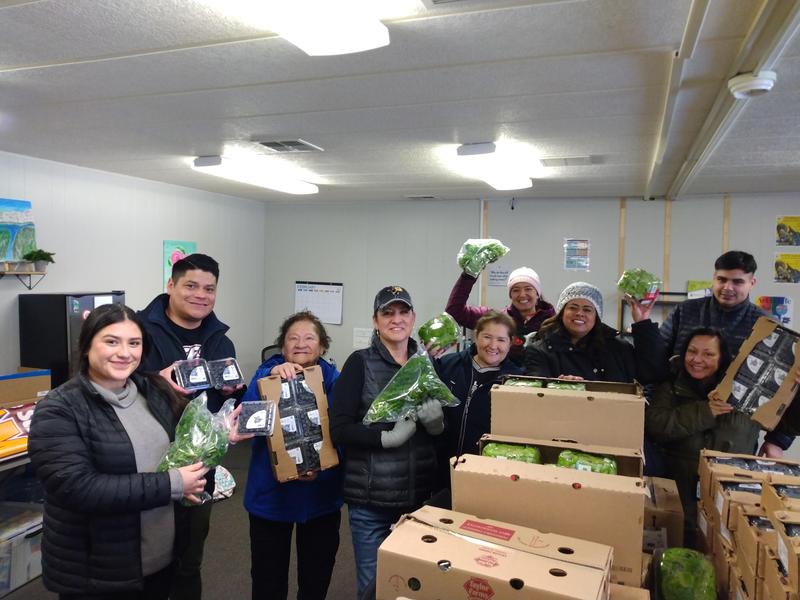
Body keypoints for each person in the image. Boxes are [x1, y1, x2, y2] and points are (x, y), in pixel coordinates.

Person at [28, 304, 209, 599]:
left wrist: (224, 433)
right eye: (111, 341)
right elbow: (77, 487)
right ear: (87, 346)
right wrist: (173, 484)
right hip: (100, 573)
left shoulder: (152, 390)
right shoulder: (59, 409)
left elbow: (180, 449)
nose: (124, 352)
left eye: (134, 343)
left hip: (161, 560)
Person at [330, 286, 444, 599]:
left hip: (418, 498)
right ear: (376, 321)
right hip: (371, 500)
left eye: (403, 312)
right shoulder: (360, 363)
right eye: (387, 313)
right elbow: (339, 429)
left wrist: (436, 426)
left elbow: (439, 431)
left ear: (413, 318)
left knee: (415, 586)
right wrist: (386, 438)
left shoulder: (426, 365)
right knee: (375, 587)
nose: (396, 319)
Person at [138, 253, 241, 600]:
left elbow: (228, 401)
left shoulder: (220, 340)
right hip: (147, 467)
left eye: (209, 288)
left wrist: (232, 395)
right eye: (191, 285)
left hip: (200, 470)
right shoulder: (140, 331)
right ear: (171, 286)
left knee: (189, 560)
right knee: (146, 562)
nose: (201, 295)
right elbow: (115, 385)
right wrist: (156, 380)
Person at [241, 311, 342, 600]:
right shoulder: (265, 375)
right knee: (267, 579)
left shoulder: (335, 380)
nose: (300, 344)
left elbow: (345, 431)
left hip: (321, 498)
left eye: (309, 337)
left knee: (315, 577)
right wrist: (268, 379)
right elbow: (244, 422)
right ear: (282, 347)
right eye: (292, 338)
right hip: (270, 499)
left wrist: (322, 468)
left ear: (322, 346)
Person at [657, 250, 795, 456]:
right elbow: (657, 362)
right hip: (679, 428)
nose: (727, 287)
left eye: (738, 282)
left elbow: (786, 389)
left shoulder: (768, 327)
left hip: (734, 433)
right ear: (714, 278)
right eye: (721, 279)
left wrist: (778, 440)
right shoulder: (685, 311)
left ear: (752, 283)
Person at [645, 327, 761, 547]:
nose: (697, 360)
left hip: (732, 496)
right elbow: (656, 426)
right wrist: (705, 411)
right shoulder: (671, 385)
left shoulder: (745, 392)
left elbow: (786, 422)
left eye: (708, 354)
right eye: (692, 351)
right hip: (678, 493)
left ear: (722, 358)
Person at [433, 311, 523, 488]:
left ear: (510, 343)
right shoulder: (448, 365)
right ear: (476, 336)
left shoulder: (515, 381)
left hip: (484, 475)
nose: (493, 345)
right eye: (487, 337)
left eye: (501, 340)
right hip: (438, 470)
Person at [524, 281, 666, 384]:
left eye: (587, 309)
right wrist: (557, 387)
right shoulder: (540, 350)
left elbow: (652, 373)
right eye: (573, 307)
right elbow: (537, 391)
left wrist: (642, 323)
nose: (580, 313)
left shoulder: (618, 348)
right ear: (562, 313)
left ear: (596, 317)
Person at [446, 266, 555, 365]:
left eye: (528, 289)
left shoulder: (553, 323)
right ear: (510, 295)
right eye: (516, 290)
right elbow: (455, 311)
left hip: (540, 384)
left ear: (537, 293)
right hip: (500, 383)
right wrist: (469, 276)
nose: (522, 294)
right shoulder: (496, 319)